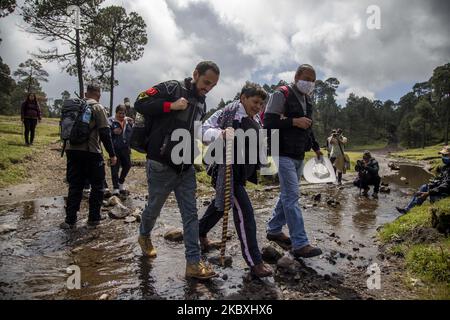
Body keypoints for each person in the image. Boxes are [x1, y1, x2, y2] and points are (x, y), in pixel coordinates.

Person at [134, 61, 219, 280]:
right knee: (154, 207)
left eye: (213, 85)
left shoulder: (202, 102)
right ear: (195, 74)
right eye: (206, 82)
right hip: (160, 164)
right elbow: (140, 101)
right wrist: (169, 106)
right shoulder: (172, 88)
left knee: (190, 215)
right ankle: (144, 235)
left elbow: (195, 131)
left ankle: (193, 263)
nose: (208, 87)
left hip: (186, 167)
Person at [199, 82, 273, 278]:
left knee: (221, 205)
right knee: (245, 212)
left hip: (240, 171)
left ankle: (199, 232)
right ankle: (255, 262)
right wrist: (221, 134)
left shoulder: (255, 118)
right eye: (255, 102)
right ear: (243, 98)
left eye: (261, 103)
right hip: (224, 170)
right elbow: (203, 130)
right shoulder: (228, 113)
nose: (258, 106)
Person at [264, 64, 323, 259]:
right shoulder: (281, 94)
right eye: (307, 78)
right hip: (281, 151)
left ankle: (273, 229)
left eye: (313, 81)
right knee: (292, 196)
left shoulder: (307, 99)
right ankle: (300, 243)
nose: (310, 83)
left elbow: (308, 127)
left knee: (287, 195)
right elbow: (268, 122)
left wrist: (315, 147)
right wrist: (293, 121)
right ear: (297, 76)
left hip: (298, 152)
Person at [60, 84, 117, 229]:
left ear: (86, 93)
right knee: (97, 186)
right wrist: (112, 154)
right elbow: (105, 133)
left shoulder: (75, 106)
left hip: (71, 149)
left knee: (75, 185)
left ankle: (70, 220)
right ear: (98, 94)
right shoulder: (97, 107)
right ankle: (93, 219)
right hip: (91, 151)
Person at [396, 146, 450, 214]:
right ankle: (407, 210)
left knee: (430, 195)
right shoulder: (445, 167)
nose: (443, 157)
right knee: (424, 187)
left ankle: (411, 210)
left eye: (445, 155)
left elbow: (447, 185)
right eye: (442, 155)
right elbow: (441, 180)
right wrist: (433, 184)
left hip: (446, 195)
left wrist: (429, 192)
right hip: (442, 191)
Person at [109, 104, 134, 196]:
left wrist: (132, 124)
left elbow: (132, 132)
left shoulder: (128, 121)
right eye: (119, 113)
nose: (121, 116)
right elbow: (105, 134)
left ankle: (120, 183)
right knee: (115, 168)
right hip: (114, 148)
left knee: (128, 165)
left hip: (125, 148)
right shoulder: (110, 121)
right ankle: (115, 188)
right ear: (116, 113)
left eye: (123, 113)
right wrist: (112, 132)